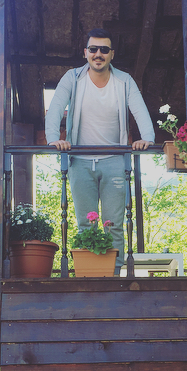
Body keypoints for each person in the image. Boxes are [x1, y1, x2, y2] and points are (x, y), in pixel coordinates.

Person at [45, 28, 155, 270]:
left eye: (104, 49)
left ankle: (113, 278)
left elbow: (140, 110)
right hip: (80, 162)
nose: (98, 54)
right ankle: (89, 277)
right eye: (93, 49)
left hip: (114, 161)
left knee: (113, 224)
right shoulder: (72, 78)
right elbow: (55, 108)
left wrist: (146, 138)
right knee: (86, 224)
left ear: (111, 54)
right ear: (85, 52)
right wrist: (54, 139)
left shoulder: (124, 80)